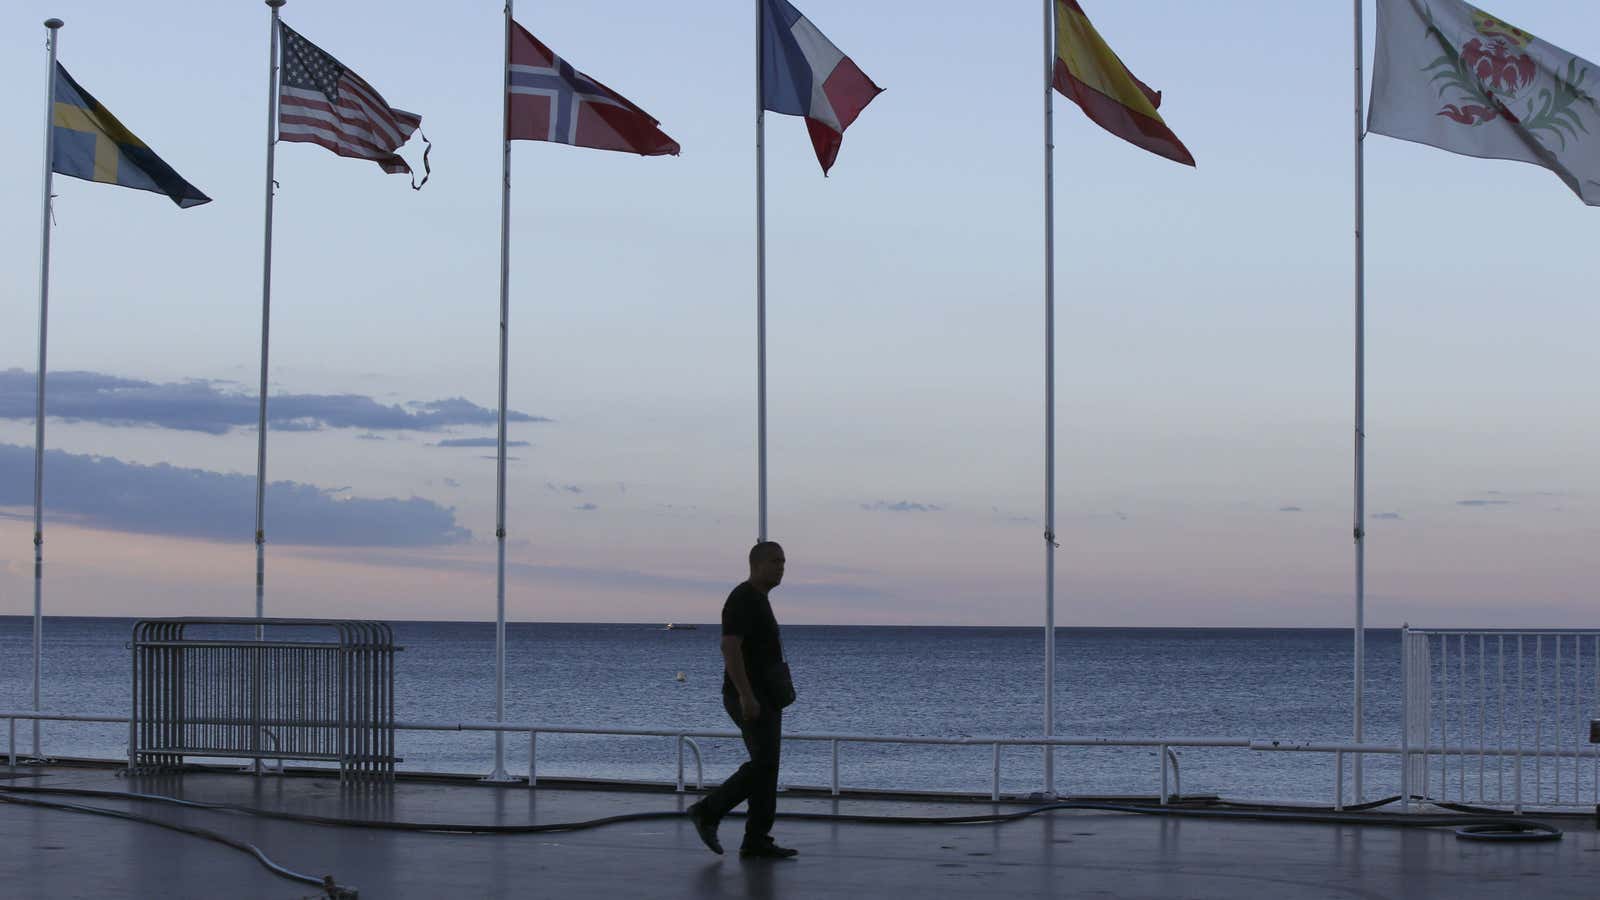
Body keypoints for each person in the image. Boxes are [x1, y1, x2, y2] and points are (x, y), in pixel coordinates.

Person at [686, 541, 797, 859]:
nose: (781, 567)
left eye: (784, 562)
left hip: (767, 697)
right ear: (757, 564)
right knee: (762, 764)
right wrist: (746, 695)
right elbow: (729, 648)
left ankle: (757, 839)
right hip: (749, 697)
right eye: (776, 561)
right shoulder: (743, 598)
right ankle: (708, 811)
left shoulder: (760, 599)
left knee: (768, 766)